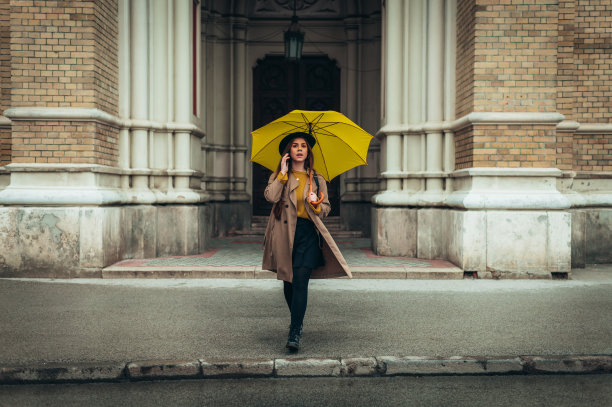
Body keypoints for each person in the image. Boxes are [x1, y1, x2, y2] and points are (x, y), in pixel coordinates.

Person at [262, 131, 352, 352]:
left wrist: (315, 203)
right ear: (288, 153)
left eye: (303, 145)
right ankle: (297, 321)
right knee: (288, 282)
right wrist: (283, 174)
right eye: (295, 146)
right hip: (284, 234)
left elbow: (326, 209)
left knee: (301, 281)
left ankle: (294, 330)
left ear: (308, 151)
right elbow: (270, 197)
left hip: (307, 234)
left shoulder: (317, 179)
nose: (300, 149)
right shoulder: (279, 176)